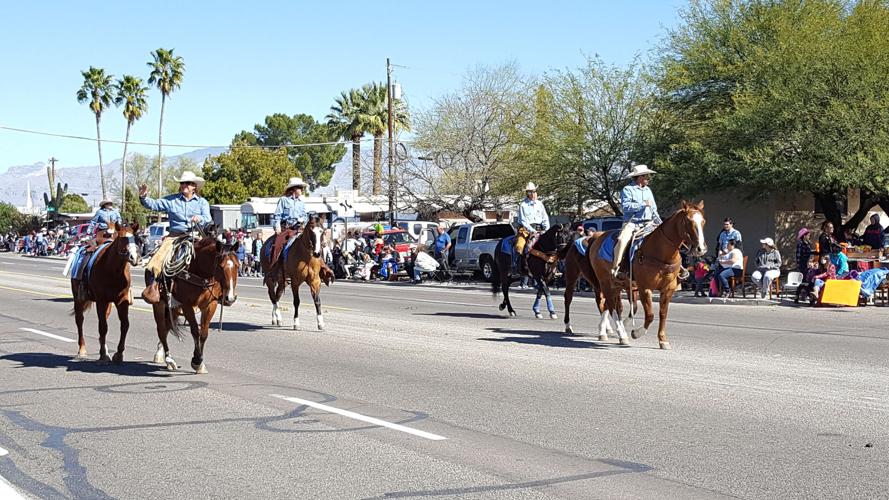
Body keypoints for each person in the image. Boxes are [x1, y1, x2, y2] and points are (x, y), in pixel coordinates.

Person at [138, 170, 212, 304]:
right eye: (182, 183)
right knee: (157, 261)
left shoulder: (202, 203)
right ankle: (153, 288)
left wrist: (199, 218)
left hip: (195, 236)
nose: (184, 185)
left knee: (214, 257)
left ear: (194, 186)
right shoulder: (171, 200)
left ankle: (220, 290)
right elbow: (154, 204)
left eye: (188, 183)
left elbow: (208, 218)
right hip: (174, 237)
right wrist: (144, 197)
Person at [612, 165, 661, 279]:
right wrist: (643, 204)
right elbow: (626, 207)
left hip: (649, 223)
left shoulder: (648, 190)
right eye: (646, 176)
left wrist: (660, 222)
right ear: (639, 177)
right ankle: (617, 268)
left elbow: (653, 209)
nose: (648, 178)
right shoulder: (628, 189)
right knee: (621, 240)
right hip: (632, 222)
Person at [269, 177, 308, 273]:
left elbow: (305, 216)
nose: (302, 190)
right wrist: (277, 227)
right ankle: (275, 267)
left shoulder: (301, 203)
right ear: (294, 189)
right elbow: (277, 215)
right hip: (286, 228)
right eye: (300, 188)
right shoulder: (283, 200)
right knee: (277, 244)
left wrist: (303, 220)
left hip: (298, 229)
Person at [515, 182, 550, 273]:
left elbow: (545, 217)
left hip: (540, 229)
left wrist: (547, 229)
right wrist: (532, 230)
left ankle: (552, 269)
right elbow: (523, 221)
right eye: (531, 192)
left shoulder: (540, 204)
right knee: (520, 246)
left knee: (552, 246)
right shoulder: (523, 205)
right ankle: (518, 267)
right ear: (527, 193)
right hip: (526, 230)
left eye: (534, 191)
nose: (533, 193)